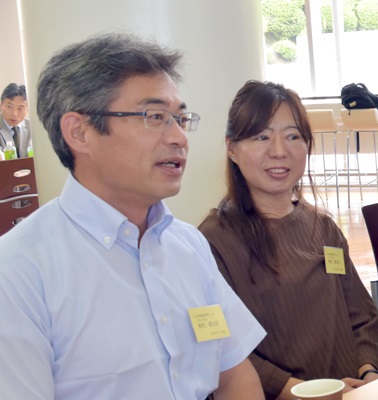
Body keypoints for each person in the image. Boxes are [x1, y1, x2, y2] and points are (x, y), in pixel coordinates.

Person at [0, 33, 267, 400]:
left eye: (180, 118)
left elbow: (234, 375)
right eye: (155, 116)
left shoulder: (188, 246)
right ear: (79, 132)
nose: (179, 137)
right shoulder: (18, 270)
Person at [199, 80, 378, 400]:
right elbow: (219, 348)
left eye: (293, 136)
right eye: (261, 136)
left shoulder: (323, 228)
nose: (279, 151)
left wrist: (369, 373)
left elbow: (361, 314)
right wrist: (299, 392)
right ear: (231, 148)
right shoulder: (212, 241)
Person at [0, 83, 32, 158]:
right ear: (1, 105)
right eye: (9, 107)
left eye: (20, 108)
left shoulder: (32, 127)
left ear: (28, 109)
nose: (14, 114)